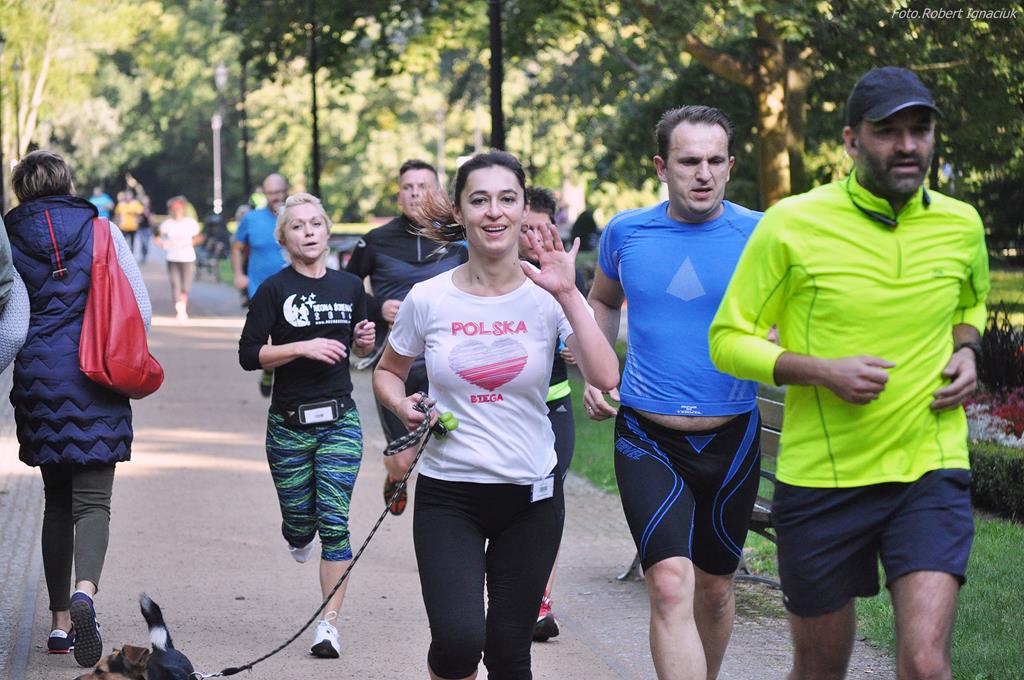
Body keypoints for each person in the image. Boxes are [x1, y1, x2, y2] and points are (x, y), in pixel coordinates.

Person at [708, 67, 989, 680]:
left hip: (929, 470)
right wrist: (820, 371)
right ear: (851, 141)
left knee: (926, 664)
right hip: (824, 484)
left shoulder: (961, 225)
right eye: (888, 131)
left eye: (920, 129)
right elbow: (726, 340)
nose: (908, 145)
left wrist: (968, 351)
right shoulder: (792, 224)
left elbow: (970, 305)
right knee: (820, 669)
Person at [373, 151, 619, 680]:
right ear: (459, 211)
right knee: (458, 643)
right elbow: (388, 371)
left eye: (507, 199)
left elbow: (604, 375)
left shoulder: (549, 295)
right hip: (449, 495)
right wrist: (401, 404)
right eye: (479, 199)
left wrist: (568, 291)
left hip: (531, 497)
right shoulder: (428, 298)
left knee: (510, 655)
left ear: (523, 208)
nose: (494, 211)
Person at [584, 105, 763, 680]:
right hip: (647, 436)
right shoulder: (626, 232)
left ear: (730, 165)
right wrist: (595, 369)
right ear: (662, 167)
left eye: (715, 160)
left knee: (714, 589)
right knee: (667, 583)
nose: (703, 174)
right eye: (689, 161)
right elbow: (603, 300)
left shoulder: (761, 234)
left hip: (732, 437)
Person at [3, 150, 151, 668]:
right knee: (94, 503)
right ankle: (86, 591)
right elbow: (141, 309)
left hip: (40, 383)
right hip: (97, 376)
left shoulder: (9, 242)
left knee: (57, 503)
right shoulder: (102, 231)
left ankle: (59, 624)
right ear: (69, 186)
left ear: (21, 192)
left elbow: (13, 328)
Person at [238, 192, 376, 659]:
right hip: (289, 425)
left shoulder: (350, 286)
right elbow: (248, 355)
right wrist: (301, 346)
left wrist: (362, 341)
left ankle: (328, 626)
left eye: (316, 223)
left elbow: (359, 350)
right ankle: (297, 532)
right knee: (301, 524)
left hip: (340, 420)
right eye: (298, 226)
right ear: (284, 239)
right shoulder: (273, 289)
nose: (309, 231)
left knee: (334, 523)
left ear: (327, 230)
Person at [346, 159, 467, 516]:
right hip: (396, 363)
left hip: (449, 363)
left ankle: (451, 518)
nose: (415, 194)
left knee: (456, 453)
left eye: (423, 186)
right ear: (398, 195)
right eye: (407, 187)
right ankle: (395, 475)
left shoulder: (460, 240)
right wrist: (377, 306)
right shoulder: (375, 241)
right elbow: (346, 289)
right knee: (403, 462)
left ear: (439, 193)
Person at [520, 186, 588, 643]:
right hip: (504, 410)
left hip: (553, 403)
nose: (532, 238)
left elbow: (588, 339)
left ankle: (540, 601)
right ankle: (507, 589)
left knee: (549, 499)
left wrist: (574, 349)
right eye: (524, 228)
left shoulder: (561, 274)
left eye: (540, 229)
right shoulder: (490, 273)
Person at [233, 173, 288, 396]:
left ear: (287, 191)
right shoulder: (252, 219)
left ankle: (279, 376)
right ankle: (269, 369)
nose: (275, 197)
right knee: (270, 337)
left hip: (292, 287)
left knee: (288, 336)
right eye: (270, 193)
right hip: (260, 289)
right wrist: (239, 274)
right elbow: (236, 248)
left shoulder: (295, 217)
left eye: (279, 192)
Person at [156, 196, 202, 321]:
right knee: (175, 284)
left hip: (187, 257)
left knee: (185, 285)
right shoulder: (167, 224)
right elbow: (158, 237)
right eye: (174, 209)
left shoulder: (190, 223)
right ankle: (180, 310)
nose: (177, 211)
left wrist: (191, 243)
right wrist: (163, 244)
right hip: (172, 257)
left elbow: (198, 237)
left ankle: (183, 306)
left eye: (179, 209)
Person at [114, 189, 145, 257]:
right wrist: (117, 222)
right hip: (123, 227)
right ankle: (123, 256)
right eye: (127, 195)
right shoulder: (121, 204)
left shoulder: (136, 203)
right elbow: (117, 214)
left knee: (132, 243)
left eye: (129, 195)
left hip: (133, 227)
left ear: (132, 196)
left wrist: (138, 219)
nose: (128, 197)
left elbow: (141, 213)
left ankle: (131, 256)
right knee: (122, 243)